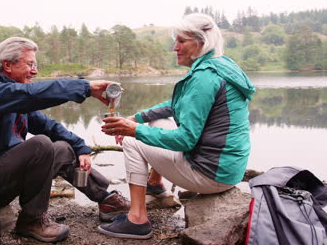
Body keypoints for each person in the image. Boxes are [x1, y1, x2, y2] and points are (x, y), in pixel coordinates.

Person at [0, 37, 130, 243]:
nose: (35, 71)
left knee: (63, 147)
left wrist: (81, 147)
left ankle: (106, 200)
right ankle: (32, 221)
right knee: (40, 145)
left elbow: (47, 125)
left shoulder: (12, 94)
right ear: (7, 65)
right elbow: (31, 95)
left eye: (36, 65)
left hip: (1, 178)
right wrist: (85, 88)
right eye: (30, 64)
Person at [98, 13, 256, 239]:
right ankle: (155, 186)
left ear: (201, 43)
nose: (175, 47)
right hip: (229, 167)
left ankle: (137, 220)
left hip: (211, 174)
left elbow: (185, 140)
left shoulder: (205, 77)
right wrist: (138, 118)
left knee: (133, 141)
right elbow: (178, 104)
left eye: (182, 41)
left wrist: (133, 130)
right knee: (157, 123)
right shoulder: (221, 65)